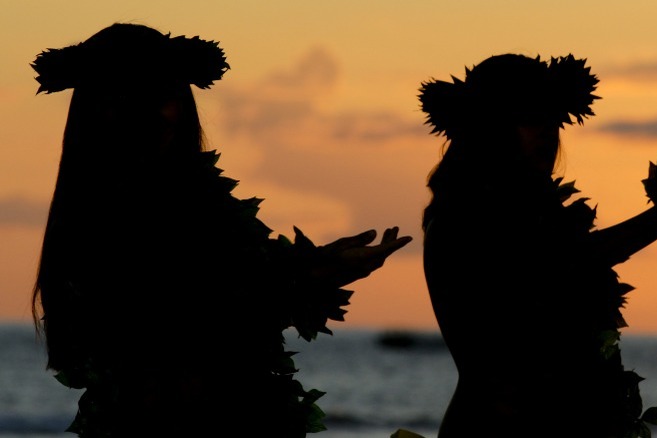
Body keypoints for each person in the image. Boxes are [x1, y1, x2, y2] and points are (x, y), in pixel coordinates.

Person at [30, 23, 412, 438]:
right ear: (97, 109)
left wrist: (324, 265)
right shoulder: (108, 214)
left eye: (166, 96)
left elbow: (240, 293)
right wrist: (317, 273)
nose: (154, 112)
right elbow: (196, 320)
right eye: (130, 97)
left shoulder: (195, 201)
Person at [418, 53, 657, 437]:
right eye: (529, 119)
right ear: (487, 130)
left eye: (553, 121)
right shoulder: (465, 213)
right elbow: (557, 264)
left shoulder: (530, 218)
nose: (547, 132)